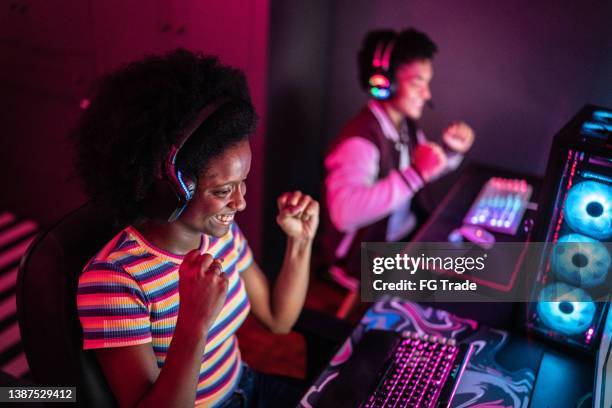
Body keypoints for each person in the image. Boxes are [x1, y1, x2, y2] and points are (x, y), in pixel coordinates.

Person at [73, 49, 319, 407]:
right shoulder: (114, 279)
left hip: (247, 386)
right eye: (222, 191)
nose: (241, 203)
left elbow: (279, 319)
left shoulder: (221, 234)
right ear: (169, 189)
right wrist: (193, 322)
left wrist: (300, 243)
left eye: (242, 182)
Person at [321, 28, 475, 290]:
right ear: (385, 82)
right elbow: (343, 214)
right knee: (456, 286)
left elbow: (426, 168)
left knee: (469, 262)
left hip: (403, 237)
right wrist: (415, 174)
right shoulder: (359, 142)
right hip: (367, 257)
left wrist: (451, 152)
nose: (427, 94)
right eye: (418, 82)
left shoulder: (405, 125)